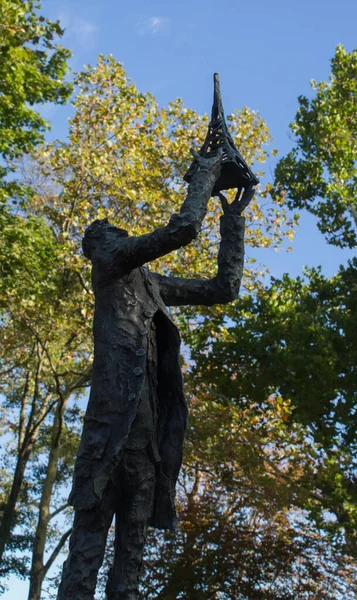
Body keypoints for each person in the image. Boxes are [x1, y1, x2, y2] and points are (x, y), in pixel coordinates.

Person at [57, 150, 255, 600]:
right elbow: (182, 229)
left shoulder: (150, 284)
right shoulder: (108, 264)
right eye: (104, 233)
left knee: (132, 562)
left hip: (146, 450)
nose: (114, 232)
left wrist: (233, 223)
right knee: (85, 557)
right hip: (106, 442)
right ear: (98, 248)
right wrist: (205, 173)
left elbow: (223, 290)